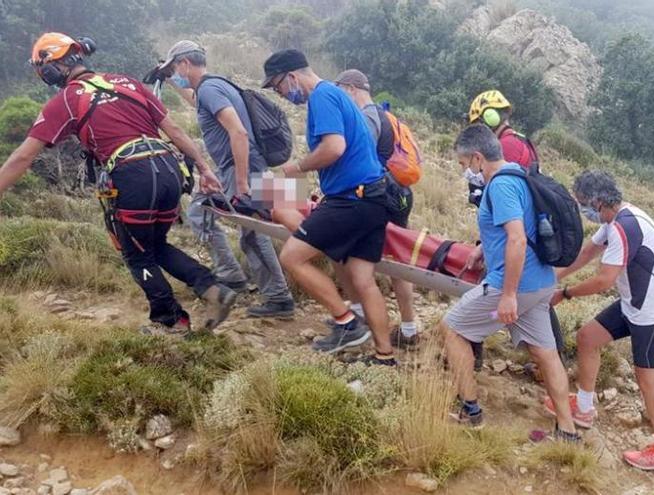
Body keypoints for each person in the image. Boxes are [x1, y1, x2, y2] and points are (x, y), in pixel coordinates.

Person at [0, 33, 236, 335]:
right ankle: (213, 289)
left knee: (137, 254)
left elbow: (22, 158)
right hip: (168, 171)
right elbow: (174, 129)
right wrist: (204, 168)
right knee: (155, 245)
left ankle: (171, 321)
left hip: (131, 175)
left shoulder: (67, 100)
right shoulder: (128, 83)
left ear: (51, 68)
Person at [440, 124, 578, 441]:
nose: (465, 172)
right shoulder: (518, 173)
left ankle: (470, 410)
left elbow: (516, 239)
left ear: (477, 158)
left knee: (452, 328)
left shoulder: (499, 186)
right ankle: (567, 431)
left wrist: (508, 296)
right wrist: (481, 249)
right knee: (546, 354)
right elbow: (518, 229)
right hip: (542, 283)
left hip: (515, 288)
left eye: (464, 165)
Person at [262, 49, 394, 364]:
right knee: (363, 280)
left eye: (278, 86)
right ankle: (385, 355)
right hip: (374, 197)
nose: (282, 94)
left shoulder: (321, 97)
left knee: (292, 257)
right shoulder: (337, 95)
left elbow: (334, 148)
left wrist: (297, 168)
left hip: (352, 200)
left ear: (291, 76)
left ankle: (346, 322)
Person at [549, 171, 654, 472]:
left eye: (583, 204)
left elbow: (604, 280)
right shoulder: (619, 217)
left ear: (597, 201)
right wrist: (555, 275)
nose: (582, 210)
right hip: (634, 303)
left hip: (653, 313)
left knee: (648, 382)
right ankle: (583, 409)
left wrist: (565, 293)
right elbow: (588, 252)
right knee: (587, 338)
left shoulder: (623, 228)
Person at [160, 40, 295, 318]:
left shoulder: (209, 89)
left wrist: (243, 182)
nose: (175, 73)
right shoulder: (215, 86)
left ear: (185, 64)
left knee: (253, 232)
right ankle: (235, 276)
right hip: (242, 167)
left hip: (240, 169)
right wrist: (171, 82)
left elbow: (239, 133)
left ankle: (276, 296)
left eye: (175, 68)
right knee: (204, 210)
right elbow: (197, 102)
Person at [334, 68, 418, 347]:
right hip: (399, 194)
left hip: (379, 197)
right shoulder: (387, 116)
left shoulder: (367, 116)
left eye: (340, 91)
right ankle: (408, 328)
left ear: (350, 88)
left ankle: (360, 316)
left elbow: (358, 159)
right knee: (396, 261)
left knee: (348, 252)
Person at [466, 90, 541, 368]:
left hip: (511, 237)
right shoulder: (523, 142)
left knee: (490, 294)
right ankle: (545, 358)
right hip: (521, 235)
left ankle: (470, 349)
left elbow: (504, 203)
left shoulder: (505, 148)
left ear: (489, 117)